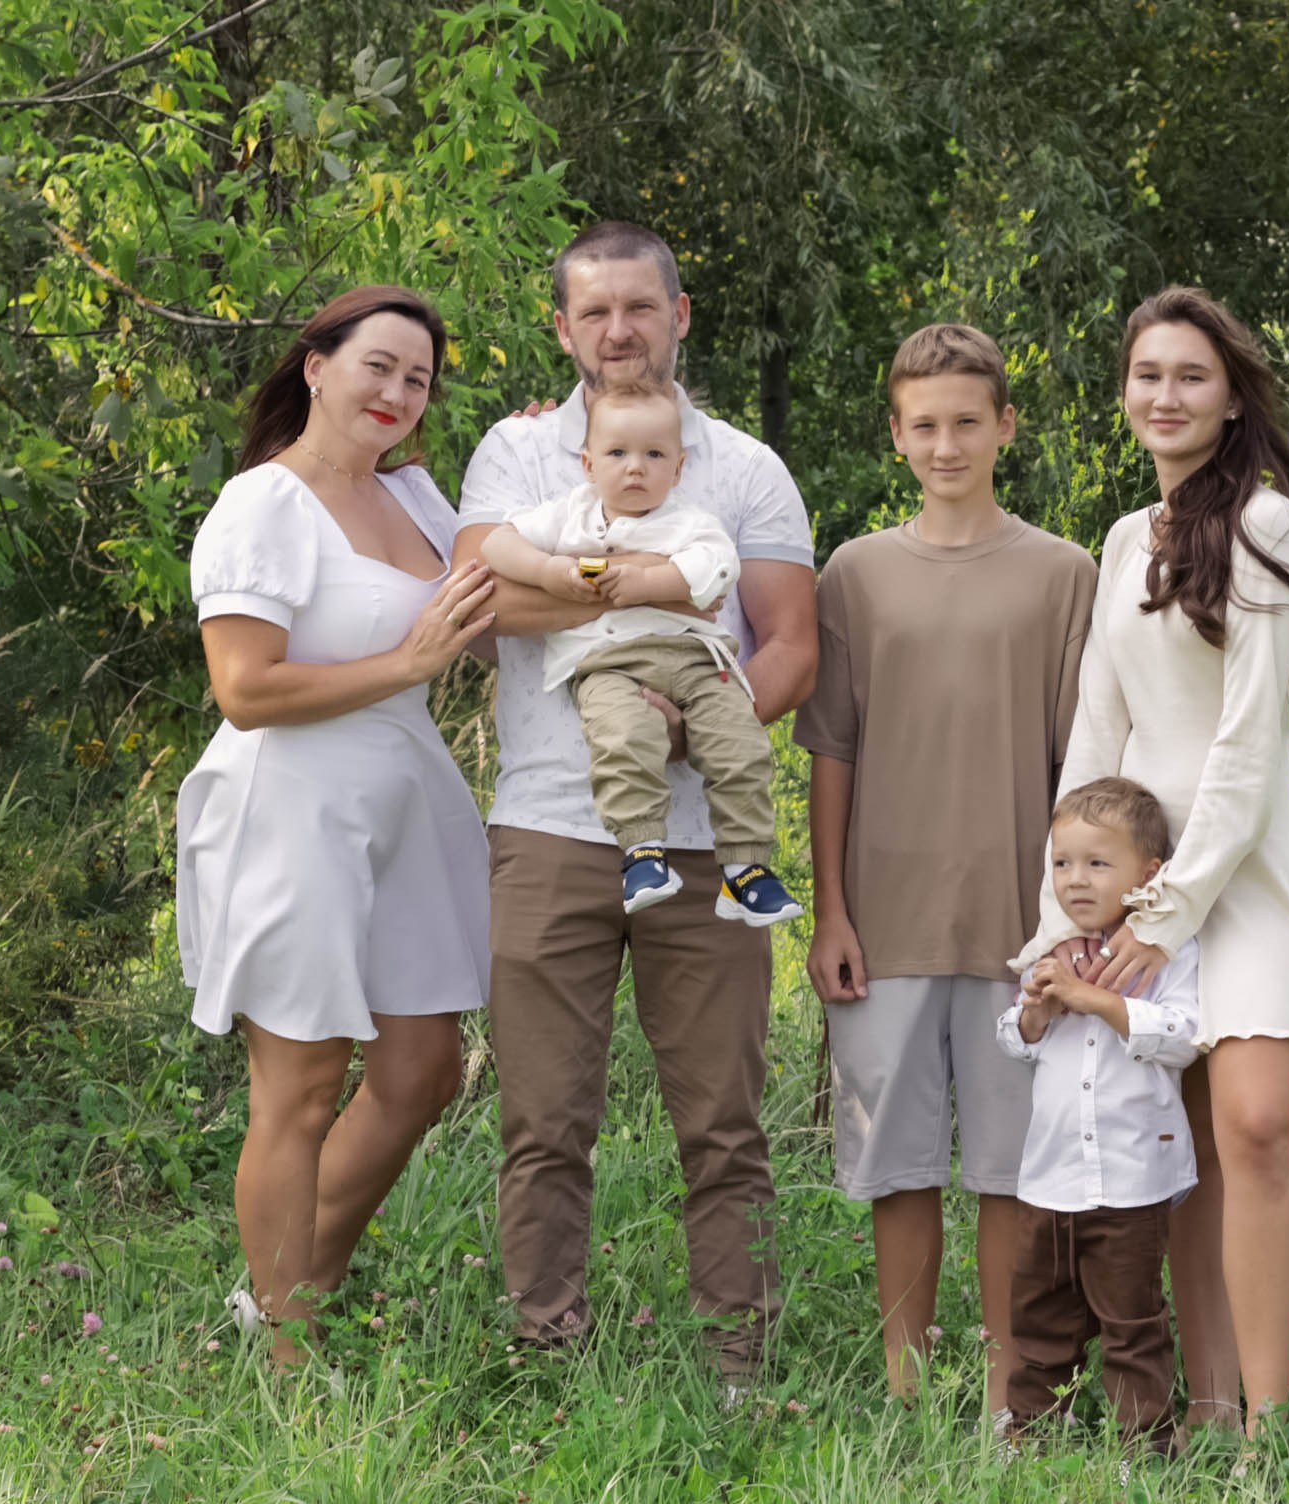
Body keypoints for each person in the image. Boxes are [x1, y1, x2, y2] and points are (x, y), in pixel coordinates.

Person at [453, 222, 817, 1386]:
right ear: (562, 328)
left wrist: (691, 725)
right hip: (552, 827)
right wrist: (647, 591)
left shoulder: (746, 468)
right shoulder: (517, 459)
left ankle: (739, 1364)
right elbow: (479, 602)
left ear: (681, 314)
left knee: (723, 1124)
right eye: (594, 312)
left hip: (706, 842)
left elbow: (792, 648)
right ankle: (549, 1355)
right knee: (544, 1119)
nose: (619, 330)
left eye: (640, 308)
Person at [1016, 285, 1289, 1435]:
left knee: (1256, 1122)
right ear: (1124, 392)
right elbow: (1096, 736)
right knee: (1176, 1142)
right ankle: (1205, 1414)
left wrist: (1168, 914)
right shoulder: (1125, 540)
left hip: (1240, 874)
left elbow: (1250, 736)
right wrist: (1061, 915)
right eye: (1147, 376)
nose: (1164, 396)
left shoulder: (1265, 526)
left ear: (1230, 401)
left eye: (1190, 377)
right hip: (1131, 879)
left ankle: (1270, 1436)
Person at [175, 285, 497, 1369]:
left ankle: (292, 1282)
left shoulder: (420, 502)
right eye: (380, 366)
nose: (400, 393)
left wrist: (569, 459)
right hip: (295, 801)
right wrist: (407, 663)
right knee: (304, 1083)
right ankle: (284, 1346)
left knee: (422, 1068)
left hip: (407, 790)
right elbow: (246, 688)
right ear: (317, 365)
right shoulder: (263, 504)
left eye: (419, 379)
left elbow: (508, 596)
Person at [795, 323, 1098, 1415]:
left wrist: (1075, 922)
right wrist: (831, 910)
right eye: (924, 424)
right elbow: (831, 749)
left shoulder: (1065, 573)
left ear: (1006, 426)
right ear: (895, 435)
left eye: (968, 421)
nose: (947, 442)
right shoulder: (857, 574)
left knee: (1013, 1172)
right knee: (898, 1165)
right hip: (886, 919)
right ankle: (906, 1387)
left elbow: (1086, 763)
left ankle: (1011, 1392)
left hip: (1023, 926)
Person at [477, 377, 803, 923]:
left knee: (739, 743)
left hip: (697, 662)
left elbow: (718, 570)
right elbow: (495, 545)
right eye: (617, 453)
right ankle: (643, 852)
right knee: (624, 739)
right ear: (588, 464)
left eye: (654, 454)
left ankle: (746, 869)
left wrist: (643, 584)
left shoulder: (691, 520)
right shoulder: (569, 516)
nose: (636, 467)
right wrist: (550, 571)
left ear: (677, 469)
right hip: (607, 664)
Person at [996, 778, 1201, 1453]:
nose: (1075, 881)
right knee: (1039, 1318)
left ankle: (1145, 1446)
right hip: (1048, 1179)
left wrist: (1100, 1000)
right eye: (1062, 863)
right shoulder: (1049, 952)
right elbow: (1013, 1041)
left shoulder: (1166, 956)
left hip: (1130, 1181)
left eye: (1097, 864)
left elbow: (1182, 1036)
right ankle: (1030, 1435)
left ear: (1150, 874)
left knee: (1132, 1320)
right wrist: (1037, 1010)